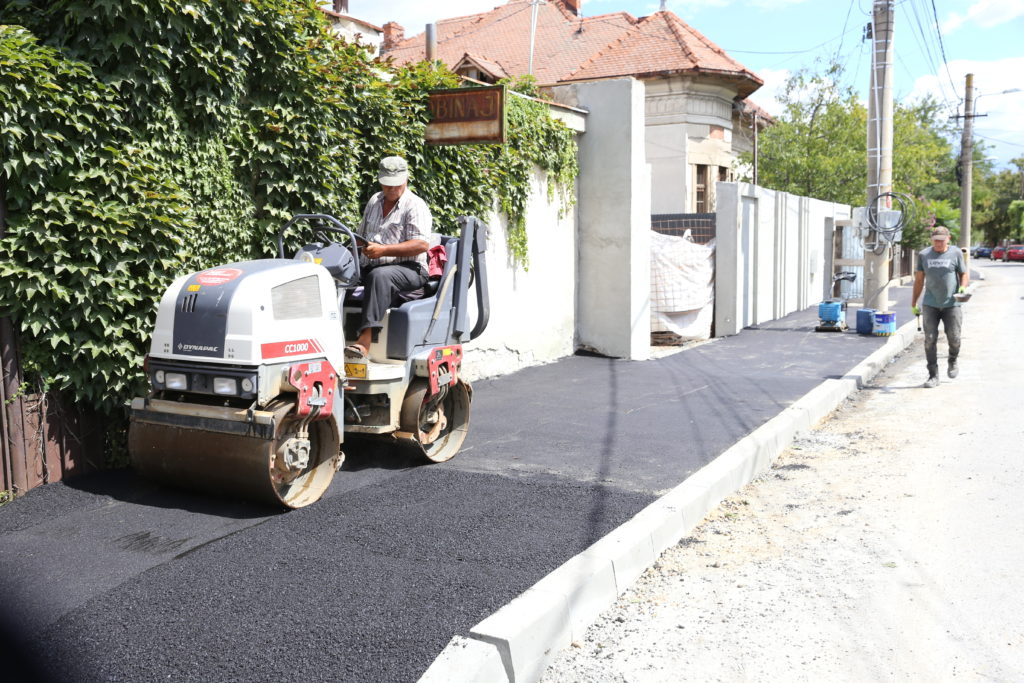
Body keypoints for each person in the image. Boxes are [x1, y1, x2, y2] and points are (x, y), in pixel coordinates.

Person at [346, 156, 431, 359]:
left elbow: (421, 244)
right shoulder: (374, 201)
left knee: (380, 276)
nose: (391, 189)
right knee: (334, 274)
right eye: (387, 184)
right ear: (380, 180)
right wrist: (344, 250)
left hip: (410, 270)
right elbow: (361, 236)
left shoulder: (415, 205)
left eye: (396, 184)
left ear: (406, 180)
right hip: (372, 265)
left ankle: (365, 339)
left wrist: (383, 250)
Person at [911, 226, 969, 388]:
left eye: (941, 240)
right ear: (932, 239)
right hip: (930, 304)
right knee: (929, 339)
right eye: (936, 240)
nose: (938, 243)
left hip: (952, 304)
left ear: (948, 239)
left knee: (955, 338)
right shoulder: (924, 255)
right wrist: (913, 302)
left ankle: (952, 359)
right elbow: (919, 280)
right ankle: (933, 375)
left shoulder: (956, 253)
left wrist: (963, 287)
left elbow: (963, 274)